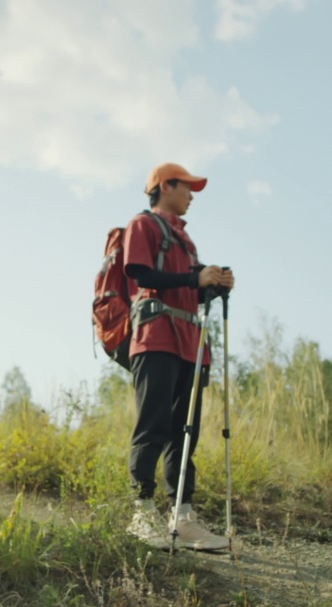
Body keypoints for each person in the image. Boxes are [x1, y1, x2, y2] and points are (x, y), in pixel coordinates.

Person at [123, 162, 234, 551]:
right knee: (152, 425)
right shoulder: (144, 225)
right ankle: (142, 511)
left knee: (185, 434)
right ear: (164, 186)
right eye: (186, 188)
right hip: (156, 338)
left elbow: (191, 289)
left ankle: (182, 517)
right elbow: (139, 274)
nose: (191, 195)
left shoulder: (185, 241)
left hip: (191, 344)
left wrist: (213, 284)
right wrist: (194, 278)